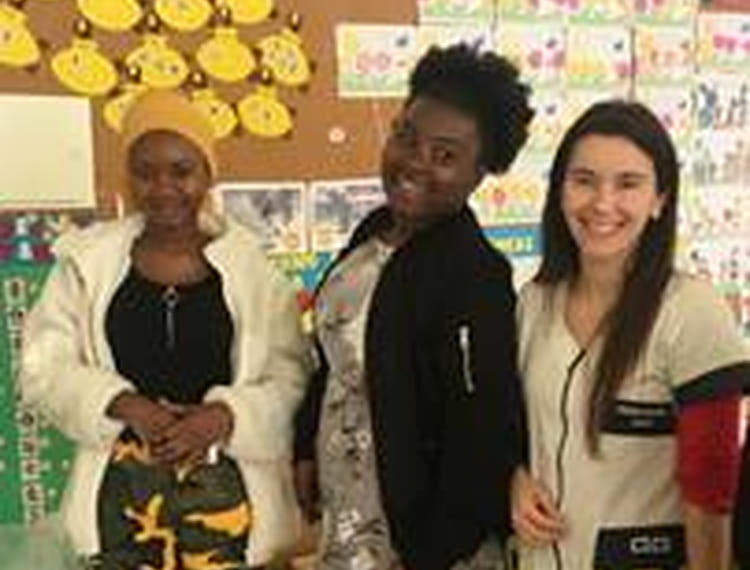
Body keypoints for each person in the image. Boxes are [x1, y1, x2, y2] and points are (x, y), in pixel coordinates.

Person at [19, 89, 311, 569]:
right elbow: (43, 367)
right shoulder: (85, 263)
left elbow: (292, 377)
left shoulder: (253, 270)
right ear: (126, 176)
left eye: (181, 171)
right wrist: (121, 403)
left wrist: (224, 417)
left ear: (207, 174)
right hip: (121, 503)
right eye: (145, 172)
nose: (163, 188)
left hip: (229, 501)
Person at [293, 43, 533, 570]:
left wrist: (436, 548)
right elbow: (333, 360)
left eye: (445, 156)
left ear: (479, 173)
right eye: (406, 136)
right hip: (349, 516)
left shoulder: (475, 275)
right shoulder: (371, 233)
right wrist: (305, 444)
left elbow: (484, 429)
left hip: (421, 544)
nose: (415, 163)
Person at [511, 100, 750, 570]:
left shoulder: (691, 311)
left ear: (660, 199)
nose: (602, 203)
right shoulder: (533, 303)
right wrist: (516, 480)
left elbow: (711, 490)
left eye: (628, 184)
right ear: (560, 191)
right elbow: (521, 431)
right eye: (584, 181)